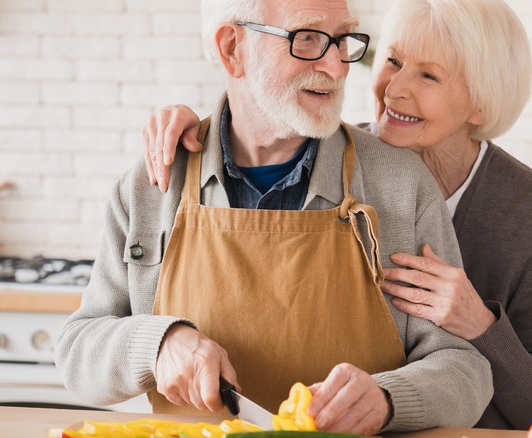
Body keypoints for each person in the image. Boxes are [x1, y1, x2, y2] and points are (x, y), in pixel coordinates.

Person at [55, 0, 493, 435]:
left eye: (343, 40)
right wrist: (156, 345)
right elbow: (77, 352)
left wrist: (388, 398)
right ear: (232, 49)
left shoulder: (401, 184)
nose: (338, 67)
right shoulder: (152, 184)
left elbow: (465, 370)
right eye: (308, 38)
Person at [142, 0, 532, 431]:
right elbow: (264, 105)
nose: (393, 89)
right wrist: (195, 124)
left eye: (428, 75)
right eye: (392, 61)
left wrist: (479, 324)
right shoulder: (336, 154)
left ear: (480, 103)